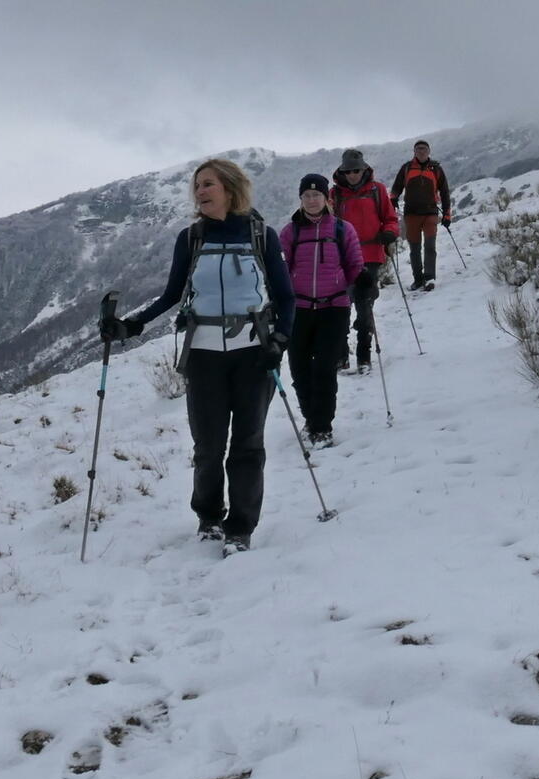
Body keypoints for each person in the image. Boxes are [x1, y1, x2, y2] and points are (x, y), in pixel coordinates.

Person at [100, 158, 294, 552]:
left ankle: (240, 527)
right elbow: (172, 295)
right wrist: (132, 325)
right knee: (208, 445)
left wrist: (280, 341)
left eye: (208, 184)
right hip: (204, 355)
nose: (200, 192)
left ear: (229, 189)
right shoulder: (191, 239)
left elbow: (286, 297)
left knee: (248, 443)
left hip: (254, 353)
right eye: (197, 185)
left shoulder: (262, 236)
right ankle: (209, 515)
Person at [278, 174, 362, 446]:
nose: (312, 200)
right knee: (299, 369)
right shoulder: (290, 232)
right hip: (299, 309)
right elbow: (281, 270)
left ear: (327, 199)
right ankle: (311, 419)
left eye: (317, 195)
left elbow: (354, 264)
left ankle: (323, 426)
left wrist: (360, 281)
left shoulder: (342, 229)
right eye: (306, 195)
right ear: (300, 199)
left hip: (334, 308)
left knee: (324, 369)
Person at [329, 149, 398, 373]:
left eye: (356, 170)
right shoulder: (334, 194)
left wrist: (389, 232)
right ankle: (341, 355)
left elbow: (390, 218)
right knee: (341, 305)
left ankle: (364, 356)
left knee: (365, 305)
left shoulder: (377, 190)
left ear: (364, 169)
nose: (352, 175)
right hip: (343, 257)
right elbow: (328, 223)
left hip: (370, 255)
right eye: (347, 171)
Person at [391, 139, 454, 291]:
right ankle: (418, 279)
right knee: (415, 249)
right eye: (418, 148)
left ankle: (429, 278)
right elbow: (396, 187)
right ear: (414, 151)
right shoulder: (406, 168)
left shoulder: (436, 169)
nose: (421, 151)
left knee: (430, 246)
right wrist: (393, 199)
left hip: (430, 213)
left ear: (429, 151)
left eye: (424, 148)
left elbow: (445, 193)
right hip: (411, 214)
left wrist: (447, 215)